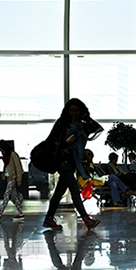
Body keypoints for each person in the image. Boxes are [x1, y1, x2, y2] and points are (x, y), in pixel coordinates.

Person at [42, 98, 100, 230]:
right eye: (71, 110)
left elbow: (96, 128)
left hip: (73, 162)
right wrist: (66, 141)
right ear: (67, 111)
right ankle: (86, 219)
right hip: (63, 161)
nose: (74, 113)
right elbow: (51, 141)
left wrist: (86, 116)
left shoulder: (82, 124)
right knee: (74, 188)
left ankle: (49, 218)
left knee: (59, 192)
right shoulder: (62, 123)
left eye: (77, 111)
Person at [0, 140, 25, 220]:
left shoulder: (13, 155)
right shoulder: (7, 156)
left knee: (6, 195)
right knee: (13, 197)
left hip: (13, 178)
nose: (0, 151)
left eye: (0, 149)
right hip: (8, 178)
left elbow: (18, 167)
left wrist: (19, 179)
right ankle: (21, 214)